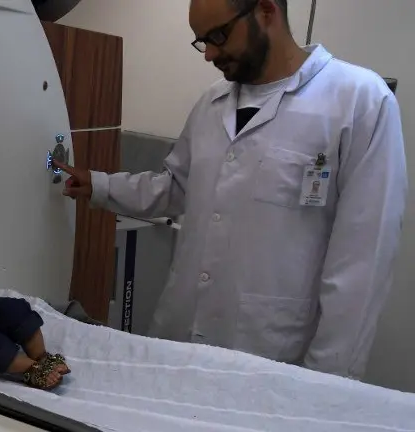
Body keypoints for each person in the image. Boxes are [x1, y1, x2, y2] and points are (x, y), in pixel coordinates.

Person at [54, 0, 407, 379]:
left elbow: (361, 263)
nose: (208, 54)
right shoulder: (212, 102)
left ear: (267, 11)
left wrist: (328, 384)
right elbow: (175, 188)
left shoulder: (359, 101)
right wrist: (101, 184)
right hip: (178, 340)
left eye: (218, 36)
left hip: (272, 359)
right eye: (201, 41)